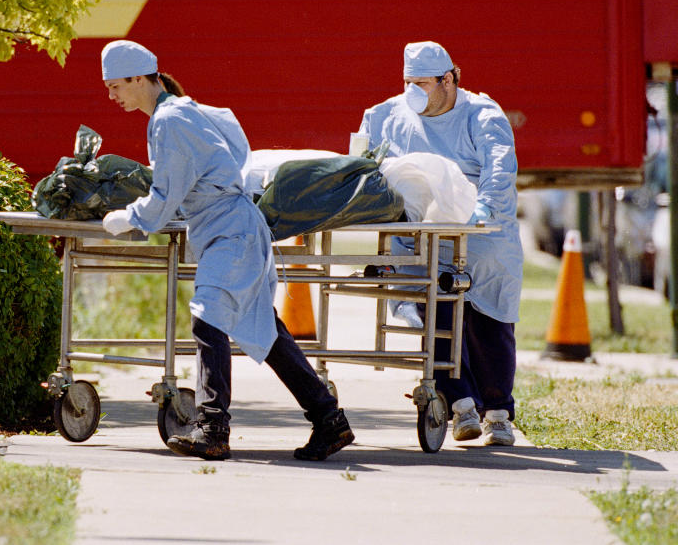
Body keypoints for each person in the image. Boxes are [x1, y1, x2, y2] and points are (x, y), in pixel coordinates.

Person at [99, 39, 354, 461]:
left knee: (208, 317)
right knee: (264, 332)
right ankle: (329, 420)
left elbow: (165, 193)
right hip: (233, 227)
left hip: (229, 232)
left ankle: (213, 428)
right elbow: (228, 154)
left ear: (139, 78)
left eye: (115, 86)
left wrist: (132, 216)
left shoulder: (169, 120)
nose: (112, 96)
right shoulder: (186, 111)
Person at [357, 41, 523, 446]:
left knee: (489, 321)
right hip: (422, 236)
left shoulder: (482, 115)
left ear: (448, 80)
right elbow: (364, 165)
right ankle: (461, 405)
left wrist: (481, 209)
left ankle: (498, 414)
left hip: (481, 236)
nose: (414, 91)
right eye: (407, 82)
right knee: (438, 317)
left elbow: (499, 169)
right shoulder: (385, 116)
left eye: (423, 83)